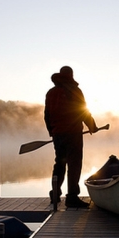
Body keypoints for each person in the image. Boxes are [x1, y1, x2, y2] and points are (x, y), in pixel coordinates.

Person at [44, 66, 98, 208]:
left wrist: (52, 131)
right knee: (74, 165)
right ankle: (72, 197)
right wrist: (92, 126)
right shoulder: (75, 91)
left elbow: (47, 115)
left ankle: (55, 194)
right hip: (73, 134)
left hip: (58, 135)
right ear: (70, 75)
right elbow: (83, 111)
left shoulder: (50, 93)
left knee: (59, 164)